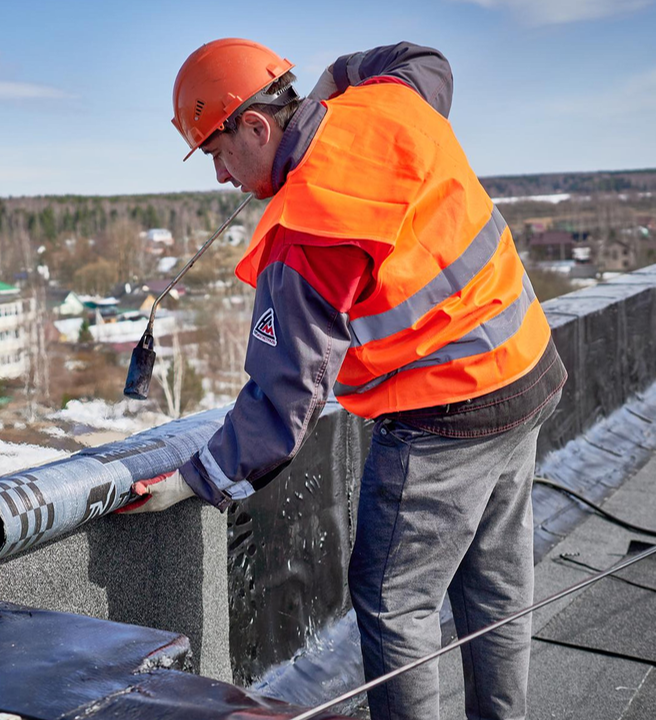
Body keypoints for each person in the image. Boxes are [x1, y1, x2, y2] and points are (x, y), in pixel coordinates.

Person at [121, 39, 567, 720]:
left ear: (257, 126)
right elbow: (425, 60)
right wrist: (335, 78)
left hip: (445, 418)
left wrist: (191, 481)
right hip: (527, 373)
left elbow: (280, 403)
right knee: (496, 583)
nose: (219, 175)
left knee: (395, 600)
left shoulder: (308, 227)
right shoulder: (390, 102)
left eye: (217, 150)